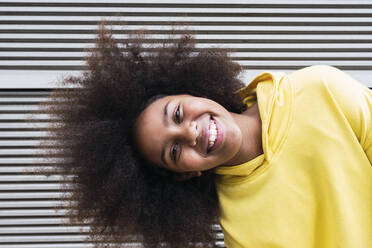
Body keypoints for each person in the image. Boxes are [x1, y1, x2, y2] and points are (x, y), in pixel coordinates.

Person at [39, 24, 372, 248]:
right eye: (173, 151)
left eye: (178, 114)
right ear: (188, 174)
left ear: (194, 91)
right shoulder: (237, 229)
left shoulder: (320, 92)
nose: (189, 132)